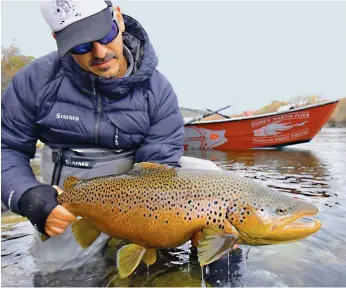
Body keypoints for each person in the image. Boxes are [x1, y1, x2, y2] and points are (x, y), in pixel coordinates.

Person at [1, 0, 222, 271]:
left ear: (118, 17)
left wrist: (178, 226)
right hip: (71, 193)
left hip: (139, 193)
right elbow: (6, 148)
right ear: (57, 39)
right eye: (81, 45)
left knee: (211, 180)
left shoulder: (159, 92)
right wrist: (27, 196)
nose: (100, 52)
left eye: (104, 35)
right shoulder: (35, 82)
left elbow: (161, 169)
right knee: (61, 276)